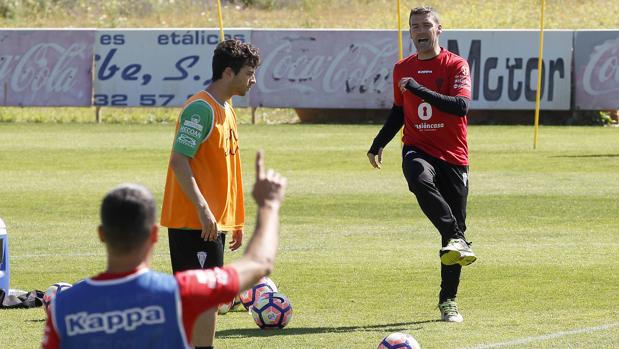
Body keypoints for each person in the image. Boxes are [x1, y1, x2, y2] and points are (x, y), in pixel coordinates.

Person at [41, 151, 287, 348]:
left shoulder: (64, 306)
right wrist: (269, 206)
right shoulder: (183, 292)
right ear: (154, 235)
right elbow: (258, 264)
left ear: (102, 234)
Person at [367, 6, 477, 323]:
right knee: (417, 177)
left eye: (426, 25)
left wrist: (418, 89)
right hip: (417, 147)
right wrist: (378, 142)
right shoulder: (402, 68)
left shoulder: (456, 65)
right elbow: (399, 111)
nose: (420, 30)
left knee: (453, 240)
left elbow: (461, 107)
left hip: (454, 156)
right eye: (414, 26)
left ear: (438, 29)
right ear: (411, 32)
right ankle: (456, 234)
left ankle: (448, 301)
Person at [159, 39, 259, 348]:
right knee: (201, 299)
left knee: (208, 298)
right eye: (249, 73)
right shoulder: (201, 109)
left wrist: (235, 220)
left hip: (213, 223)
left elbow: (224, 169)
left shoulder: (226, 108)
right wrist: (203, 209)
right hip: (194, 222)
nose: (253, 80)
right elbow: (179, 161)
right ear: (228, 73)